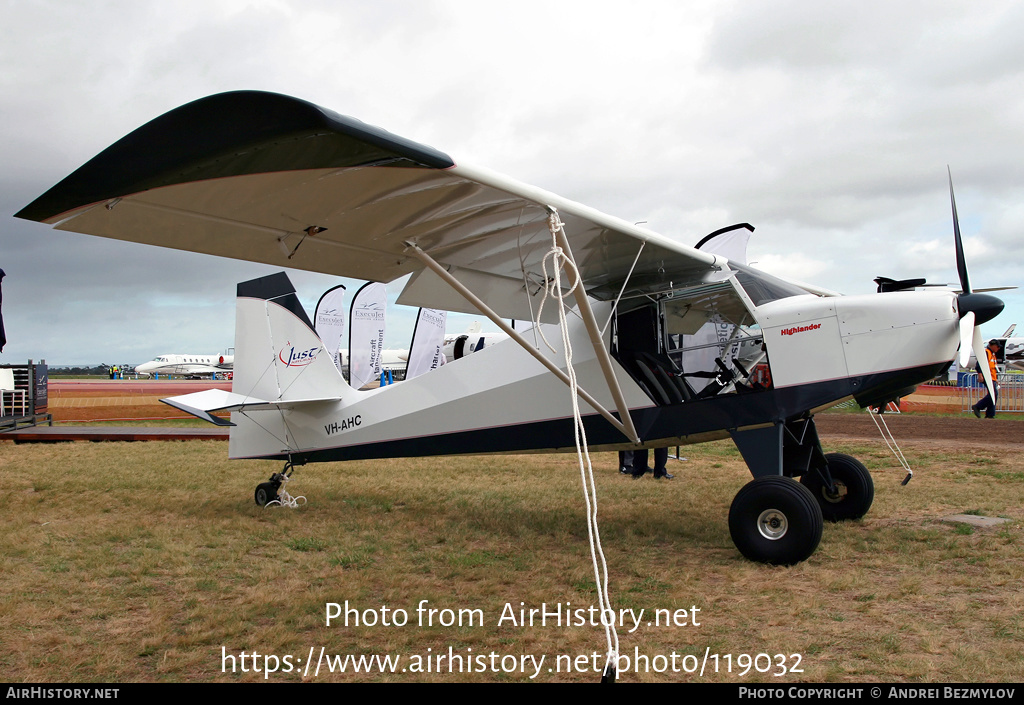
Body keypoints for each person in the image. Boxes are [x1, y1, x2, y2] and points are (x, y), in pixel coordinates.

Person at [972, 340, 1000, 419]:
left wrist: (995, 378)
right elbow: (979, 364)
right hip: (987, 377)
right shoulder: (986, 352)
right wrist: (980, 375)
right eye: (997, 347)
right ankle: (978, 407)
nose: (998, 348)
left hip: (992, 377)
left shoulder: (992, 354)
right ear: (992, 345)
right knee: (993, 394)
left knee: (993, 395)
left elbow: (993, 367)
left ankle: (990, 414)